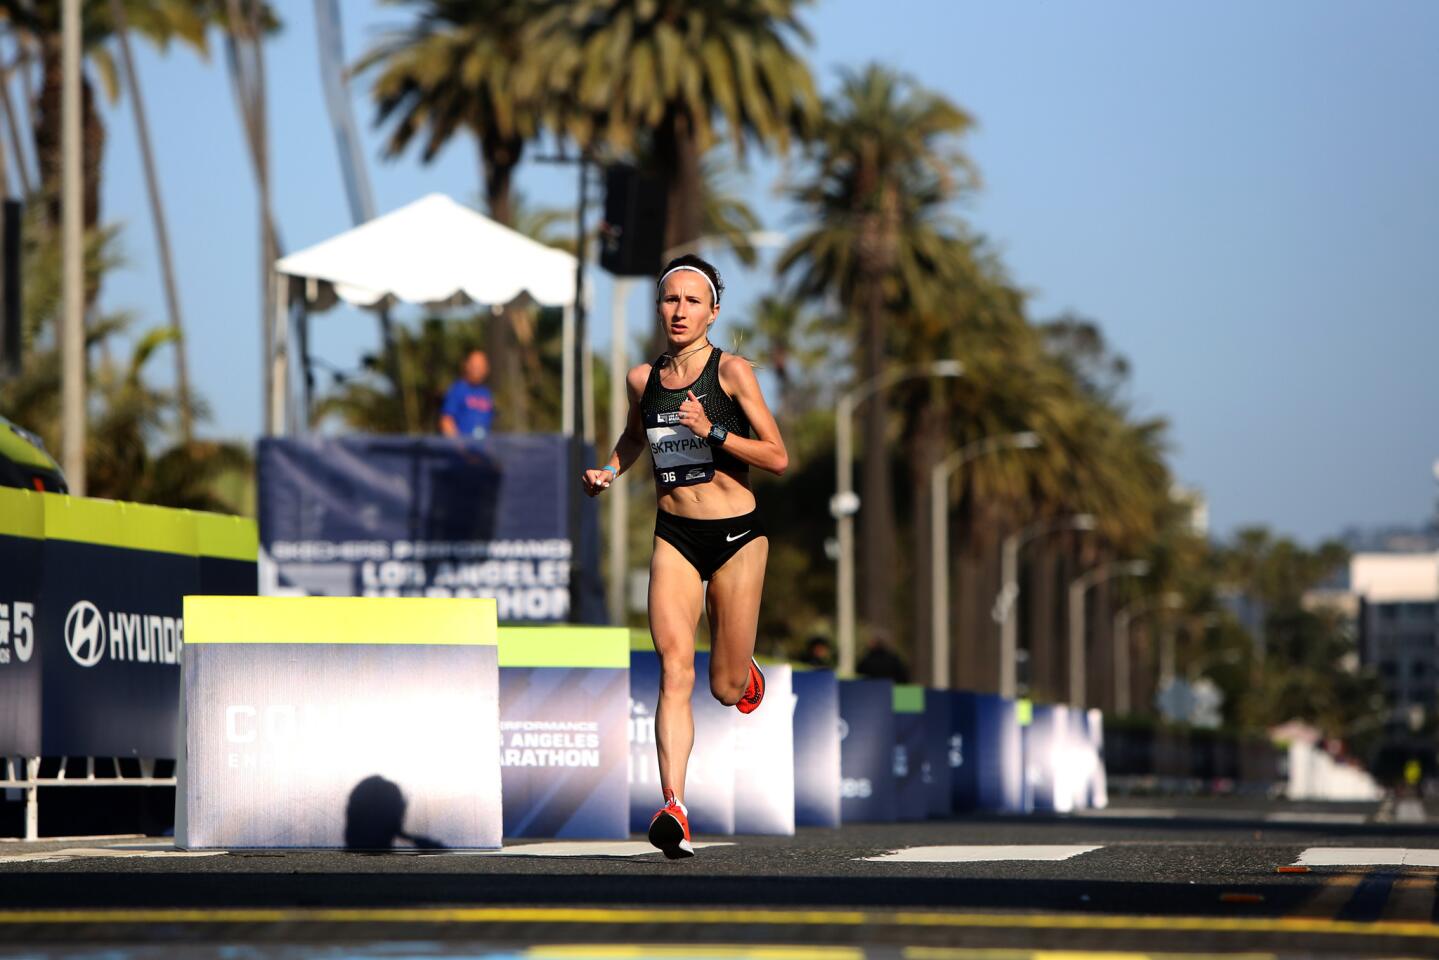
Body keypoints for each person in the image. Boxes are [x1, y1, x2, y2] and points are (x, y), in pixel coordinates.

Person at [581, 254, 788, 859]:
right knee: (674, 668)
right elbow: (633, 435)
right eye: (671, 300)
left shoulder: (733, 375)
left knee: (724, 686)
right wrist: (610, 470)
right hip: (674, 536)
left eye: (692, 301)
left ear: (713, 311)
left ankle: (742, 673)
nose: (680, 310)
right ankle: (673, 805)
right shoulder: (642, 379)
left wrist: (713, 432)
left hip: (736, 539)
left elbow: (776, 457)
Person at [439, 349, 495, 439]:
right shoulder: (457, 390)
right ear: (467, 366)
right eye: (474, 366)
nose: (477, 370)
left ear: (486, 369)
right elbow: (446, 421)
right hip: (461, 450)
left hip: (481, 450)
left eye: (480, 366)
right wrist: (460, 446)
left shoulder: (486, 393)